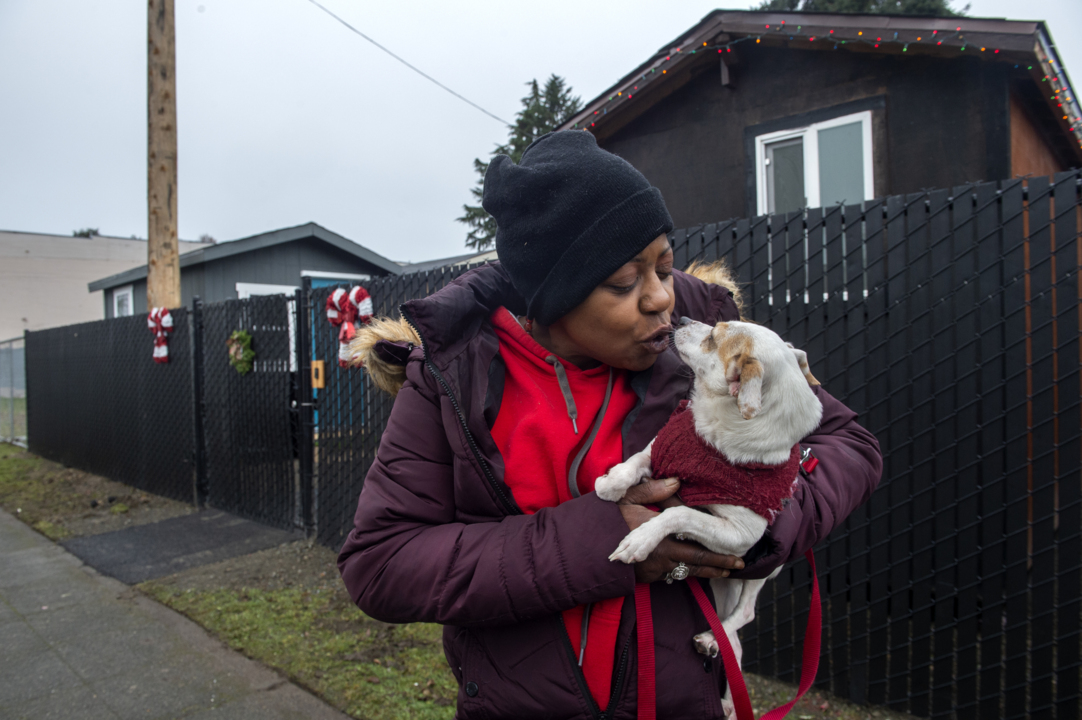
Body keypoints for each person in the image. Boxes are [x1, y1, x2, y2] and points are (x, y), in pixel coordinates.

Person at [338, 130, 882, 720]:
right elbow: (381, 563)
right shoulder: (451, 374)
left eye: (665, 267)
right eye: (624, 282)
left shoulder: (711, 341)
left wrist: (758, 524)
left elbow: (847, 443)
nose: (660, 301)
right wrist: (599, 543)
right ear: (550, 298)